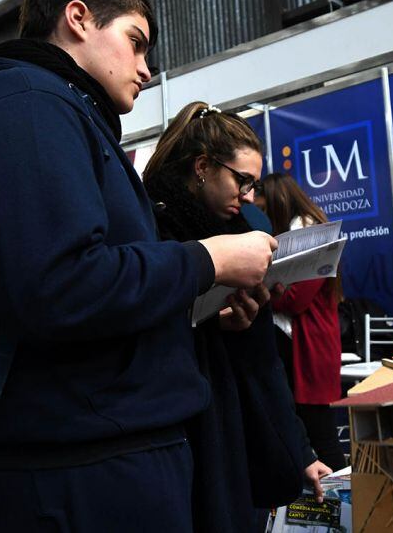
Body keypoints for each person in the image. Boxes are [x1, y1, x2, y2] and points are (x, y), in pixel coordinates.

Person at [0, 0, 276, 531]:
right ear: (78, 18)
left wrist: (197, 305)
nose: (145, 67)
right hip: (67, 468)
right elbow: (58, 285)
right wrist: (209, 260)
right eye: (135, 42)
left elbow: (80, 291)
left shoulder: (61, 113)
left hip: (88, 449)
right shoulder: (26, 106)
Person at [142, 103, 332, 532]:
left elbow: (265, 364)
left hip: (241, 430)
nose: (248, 195)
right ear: (203, 167)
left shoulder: (247, 228)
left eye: (254, 184)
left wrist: (301, 451)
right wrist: (210, 324)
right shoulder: (150, 225)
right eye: (241, 181)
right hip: (185, 434)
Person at [261, 173, 347, 472]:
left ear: (276, 202)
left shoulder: (312, 234)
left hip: (310, 347)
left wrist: (266, 292)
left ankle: (343, 509)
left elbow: (295, 299)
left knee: (322, 437)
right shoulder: (305, 230)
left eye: (264, 209)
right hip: (303, 344)